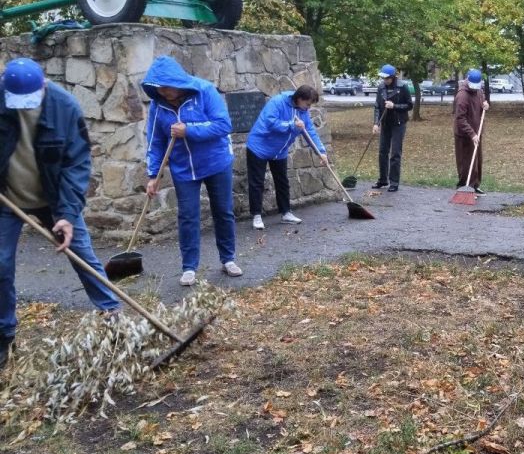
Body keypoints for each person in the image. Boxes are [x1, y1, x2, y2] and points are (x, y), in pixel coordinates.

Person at [0, 58, 120, 369]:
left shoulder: (64, 108)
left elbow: (76, 164)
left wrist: (66, 213)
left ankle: (112, 316)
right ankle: (4, 335)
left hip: (54, 199)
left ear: (43, 86)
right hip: (7, 199)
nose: (22, 108)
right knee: (0, 264)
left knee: (81, 252)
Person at [141, 56, 242, 286]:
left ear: (177, 81)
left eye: (167, 87)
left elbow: (223, 125)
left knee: (223, 211)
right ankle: (189, 267)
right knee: (187, 216)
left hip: (216, 161)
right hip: (183, 168)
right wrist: (152, 175)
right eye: (159, 88)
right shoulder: (158, 105)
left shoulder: (204, 91)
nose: (164, 92)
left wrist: (189, 130)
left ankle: (228, 259)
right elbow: (155, 141)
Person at [245, 85, 327, 230]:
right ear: (299, 98)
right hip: (259, 147)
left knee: (282, 181)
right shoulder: (277, 102)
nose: (308, 108)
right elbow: (270, 122)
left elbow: (309, 131)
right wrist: (291, 125)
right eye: (307, 104)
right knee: (257, 182)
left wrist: (321, 151)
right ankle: (256, 215)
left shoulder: (303, 111)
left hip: (279, 150)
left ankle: (286, 213)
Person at [372, 64, 412, 192]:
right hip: (385, 123)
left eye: (387, 78)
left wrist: (394, 106)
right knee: (382, 152)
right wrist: (376, 123)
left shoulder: (402, 86)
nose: (385, 80)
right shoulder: (381, 87)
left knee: (395, 153)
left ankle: (394, 182)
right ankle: (383, 180)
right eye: (383, 78)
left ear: (393, 76)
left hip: (399, 124)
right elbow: (377, 106)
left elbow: (409, 105)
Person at [453, 69, 490, 193]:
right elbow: (460, 118)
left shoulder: (478, 90)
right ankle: (463, 186)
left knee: (477, 160)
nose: (475, 89)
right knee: (465, 162)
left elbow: (481, 99)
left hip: (476, 132)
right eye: (473, 86)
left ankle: (474, 185)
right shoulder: (462, 96)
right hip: (464, 135)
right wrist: (471, 134)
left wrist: (485, 104)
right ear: (467, 80)